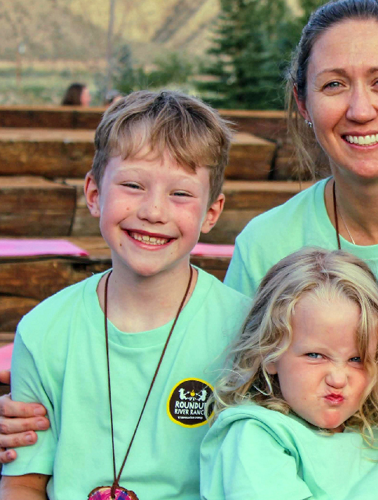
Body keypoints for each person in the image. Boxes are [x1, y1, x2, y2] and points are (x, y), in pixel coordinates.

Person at [0, 2, 378, 496]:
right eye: (334, 84)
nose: (360, 109)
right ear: (303, 102)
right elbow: (238, 390)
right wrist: (37, 413)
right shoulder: (268, 244)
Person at [0, 90, 249, 499]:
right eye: (133, 185)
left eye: (180, 193)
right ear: (94, 194)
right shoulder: (44, 332)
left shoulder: (245, 332)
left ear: (211, 212)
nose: (153, 211)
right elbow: (24, 484)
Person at [200, 248, 378, 499]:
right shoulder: (256, 434)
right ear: (269, 353)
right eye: (315, 355)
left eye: (357, 359)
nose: (338, 379)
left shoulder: (369, 438)